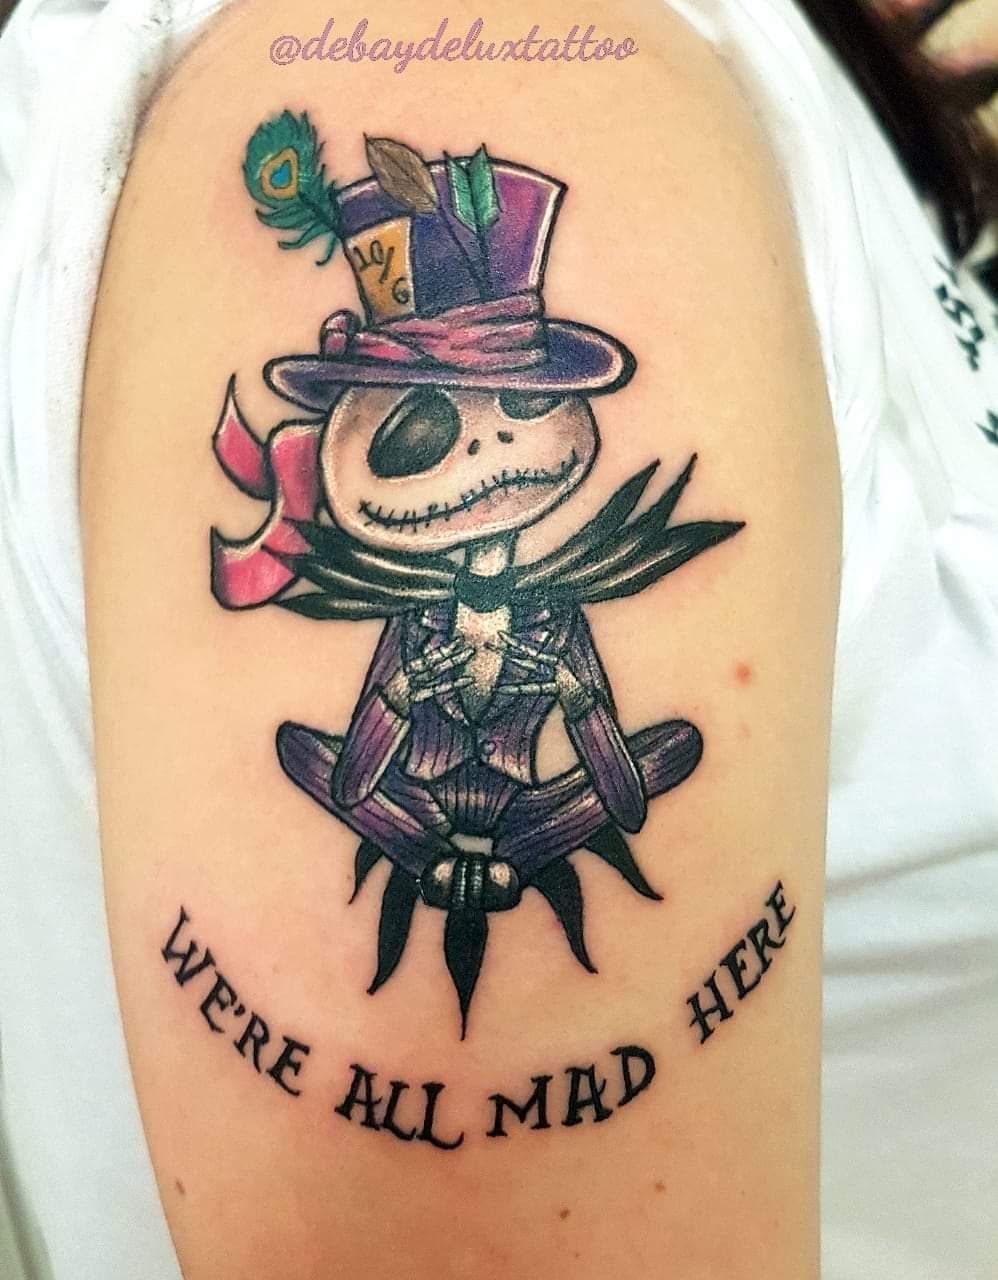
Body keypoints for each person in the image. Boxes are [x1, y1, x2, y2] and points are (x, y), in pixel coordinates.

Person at [0, 1, 994, 1277]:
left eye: (513, 408)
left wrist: (575, 736)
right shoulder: (535, 69)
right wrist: (423, 728)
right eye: (422, 427)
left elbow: (611, 776)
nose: (477, 455)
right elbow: (362, 767)